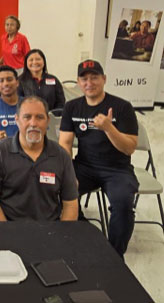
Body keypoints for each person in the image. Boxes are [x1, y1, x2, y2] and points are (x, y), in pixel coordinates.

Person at [59, 60, 139, 257]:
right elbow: (65, 144)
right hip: (84, 166)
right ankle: (88, 236)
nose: (89, 82)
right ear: (78, 82)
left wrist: (109, 128)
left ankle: (114, 256)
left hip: (117, 169)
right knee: (56, 191)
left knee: (122, 204)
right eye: (84, 78)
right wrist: (68, 173)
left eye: (94, 77)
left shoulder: (122, 107)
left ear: (104, 79)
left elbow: (129, 148)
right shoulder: (72, 107)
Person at [0, 96, 79, 221]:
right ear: (16, 120)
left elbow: (70, 205)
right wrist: (6, 233)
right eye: (27, 117)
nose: (33, 123)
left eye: (39, 117)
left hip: (49, 231)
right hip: (8, 229)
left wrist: (61, 237)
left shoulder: (61, 156)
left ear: (48, 120)